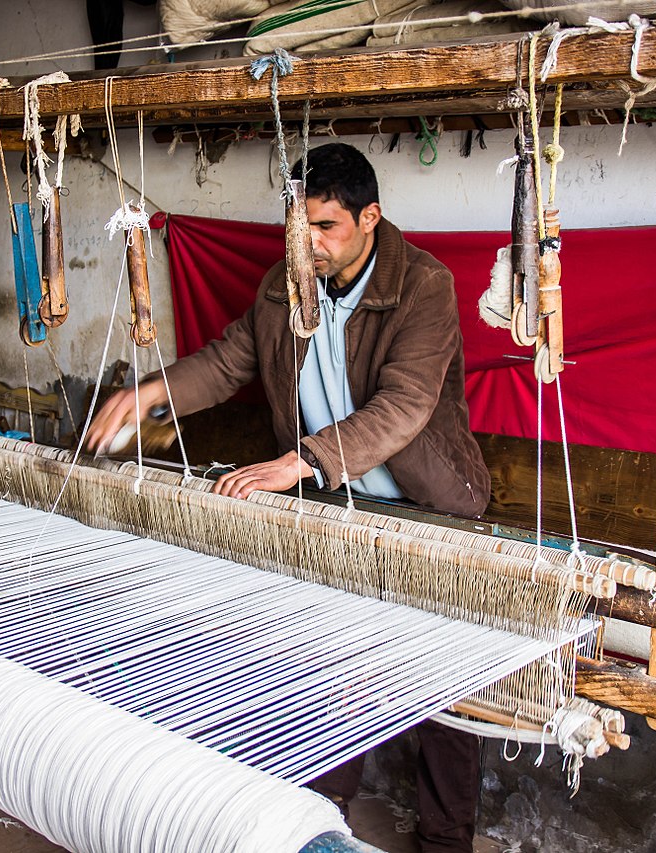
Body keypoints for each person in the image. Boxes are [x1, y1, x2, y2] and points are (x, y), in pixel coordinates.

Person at [85, 142, 491, 853]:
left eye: (325, 228)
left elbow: (405, 404)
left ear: (370, 217)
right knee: (331, 657)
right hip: (334, 504)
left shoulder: (424, 285)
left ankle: (446, 839)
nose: (309, 245)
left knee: (439, 683)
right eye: (298, 228)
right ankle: (317, 819)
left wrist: (299, 461)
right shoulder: (285, 284)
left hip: (424, 504)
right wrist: (149, 393)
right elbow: (225, 362)